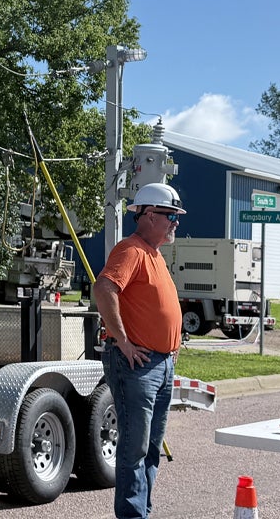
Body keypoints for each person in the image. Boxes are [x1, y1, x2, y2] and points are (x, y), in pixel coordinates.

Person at [93, 182, 185, 519]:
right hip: (137, 364)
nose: (176, 222)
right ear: (146, 215)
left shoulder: (155, 255)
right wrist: (123, 340)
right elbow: (104, 288)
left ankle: (141, 512)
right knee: (135, 449)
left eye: (176, 216)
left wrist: (170, 347)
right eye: (170, 215)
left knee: (150, 450)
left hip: (158, 364)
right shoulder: (131, 250)